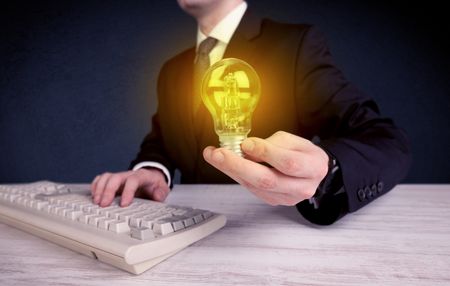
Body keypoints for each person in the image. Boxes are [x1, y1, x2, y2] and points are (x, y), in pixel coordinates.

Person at [90, 0, 411, 225]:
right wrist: (152, 170)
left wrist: (329, 171)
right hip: (184, 228)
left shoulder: (294, 45)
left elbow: (384, 139)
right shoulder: (173, 69)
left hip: (268, 229)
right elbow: (162, 140)